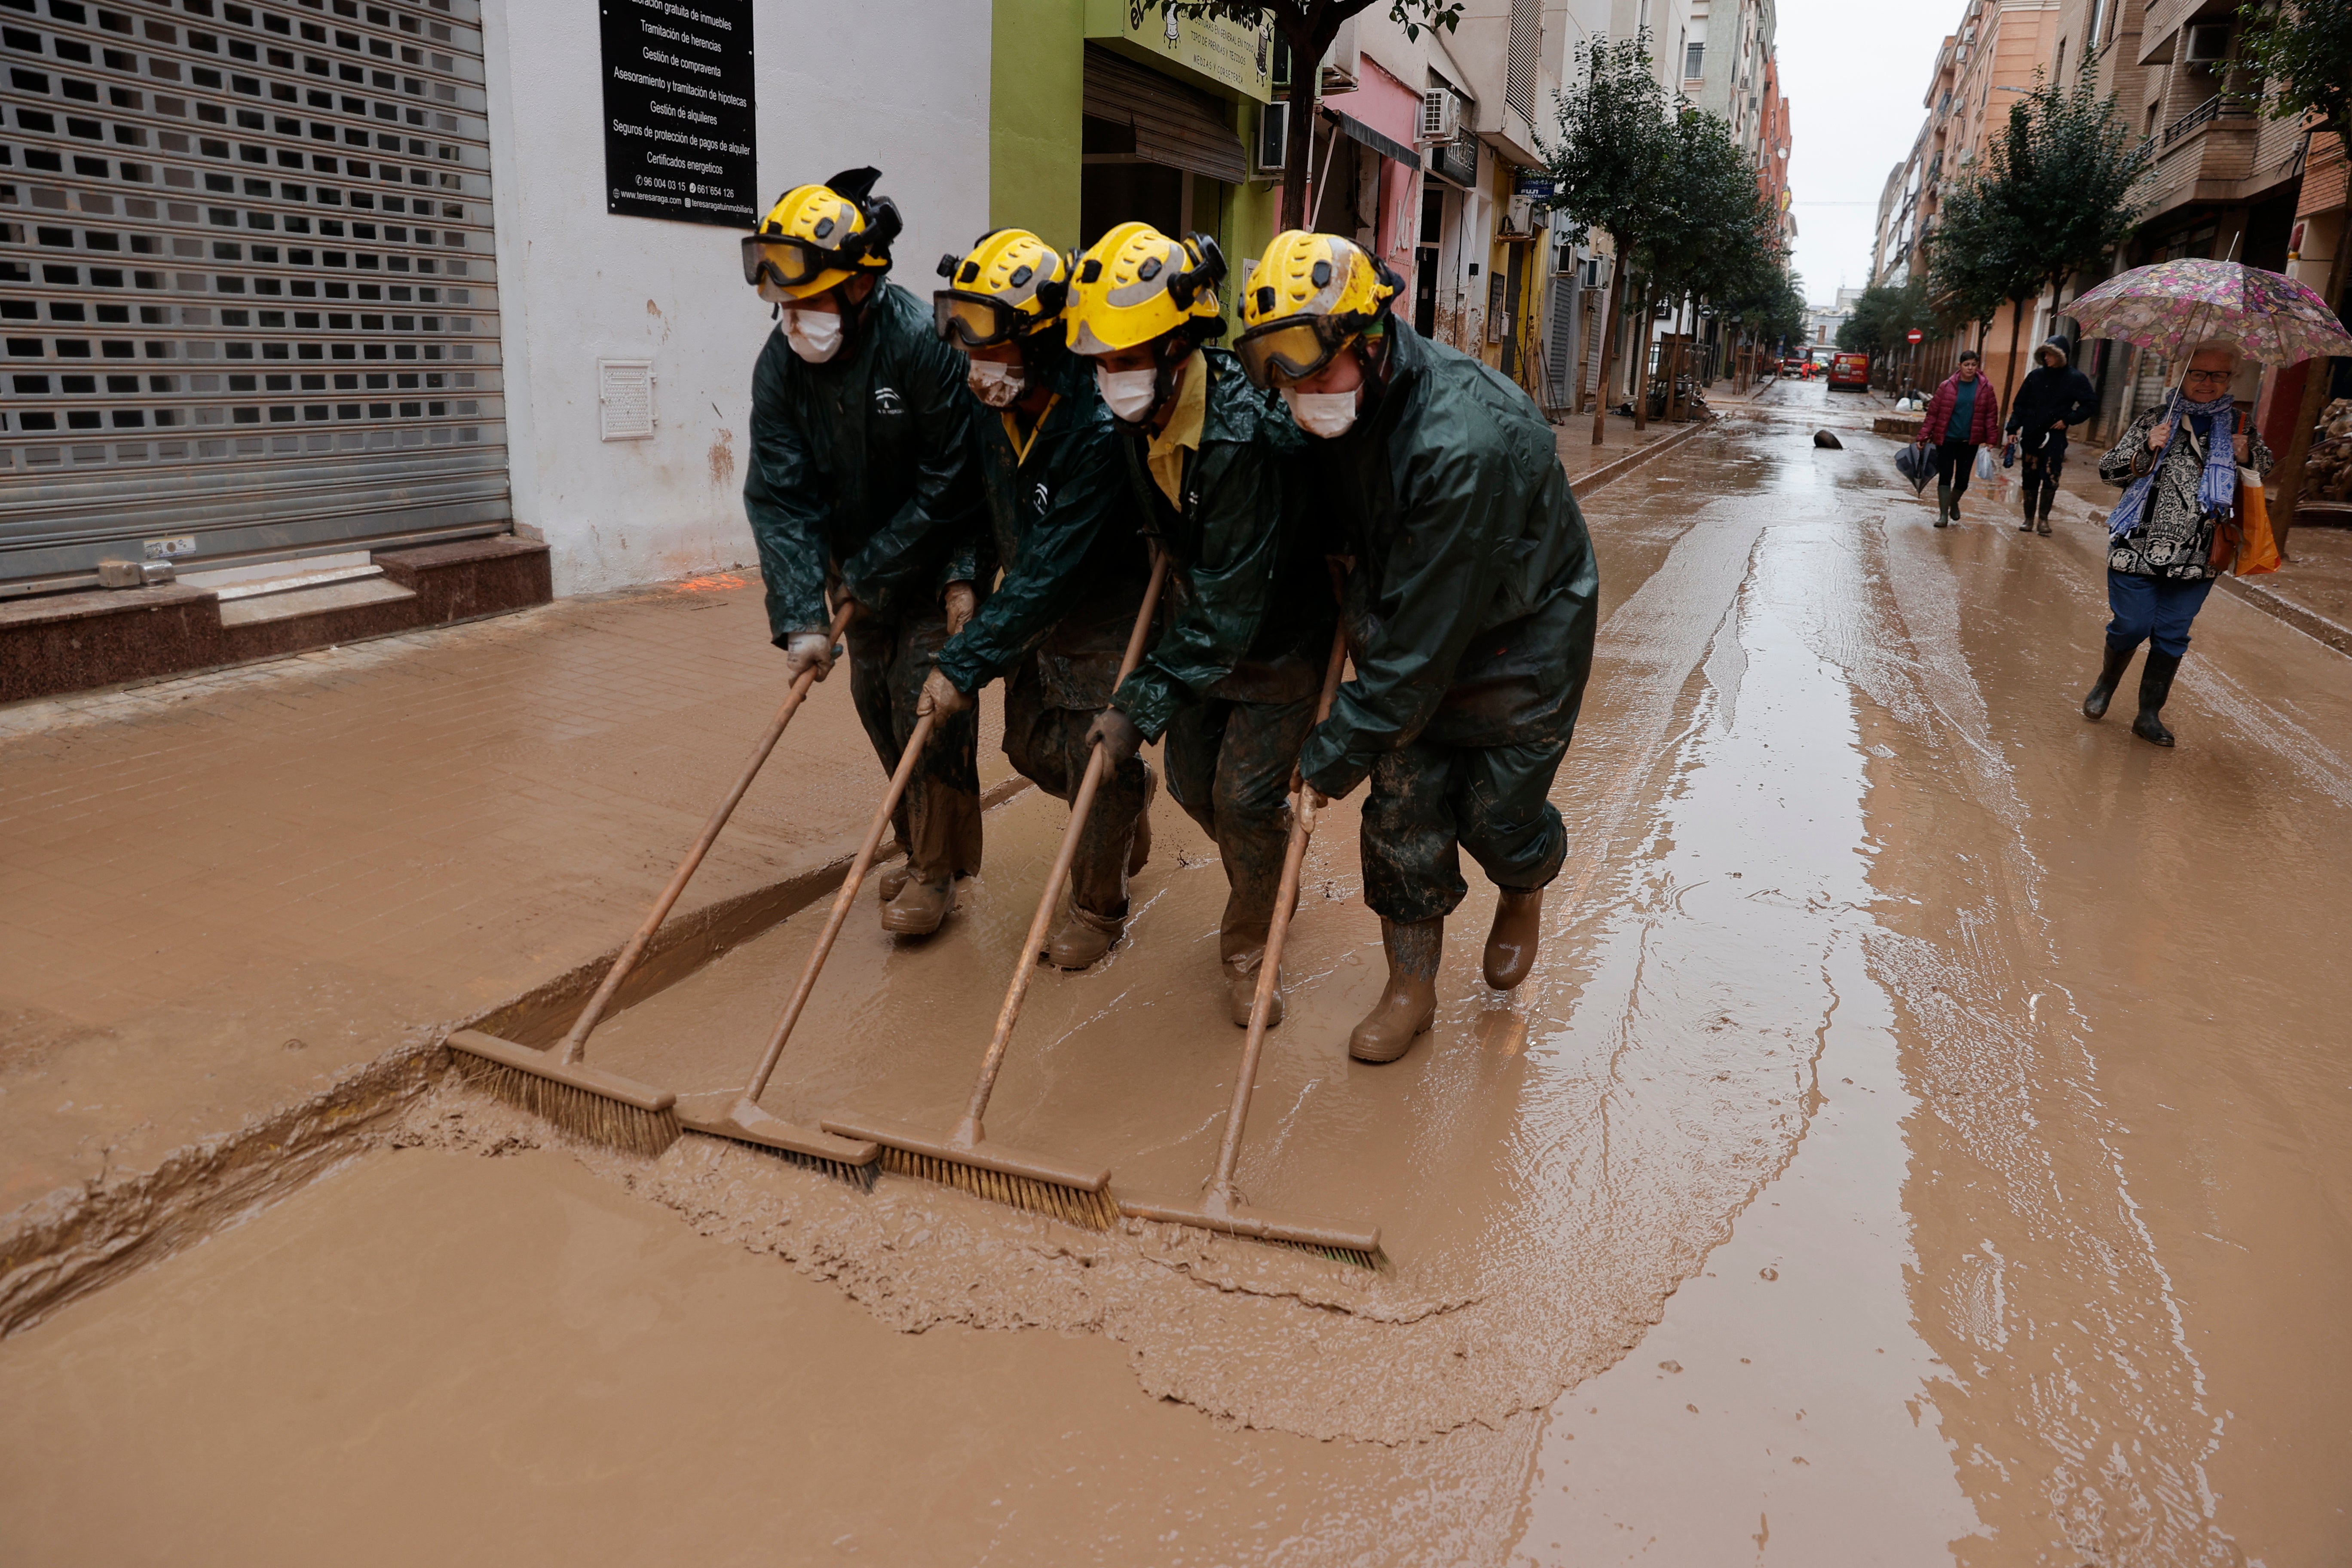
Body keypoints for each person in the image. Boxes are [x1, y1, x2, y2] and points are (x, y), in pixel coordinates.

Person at [1235, 232, 1599, 1064]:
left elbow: (1422, 650)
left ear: (1368, 342)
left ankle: (1526, 876)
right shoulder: (1337, 400)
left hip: (1521, 639)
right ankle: (1412, 986)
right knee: (1402, 810)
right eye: (1278, 373)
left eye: (1312, 371)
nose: (1296, 394)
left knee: (1493, 814)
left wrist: (1330, 752)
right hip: (1405, 616)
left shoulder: (1464, 440)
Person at [1065, 221, 1336, 1026]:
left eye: (1126, 358)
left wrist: (1133, 707)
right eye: (1101, 360)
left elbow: (1233, 608)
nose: (1109, 376)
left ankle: (1250, 942)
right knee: (1189, 782)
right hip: (1199, 632)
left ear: (1178, 348)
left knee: (1245, 799)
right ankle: (1270, 870)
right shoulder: (1135, 413)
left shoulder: (1243, 433)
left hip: (1277, 636)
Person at [739, 168, 985, 936]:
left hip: (934, 562)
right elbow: (780, 495)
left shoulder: (919, 343)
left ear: (859, 287)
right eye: (783, 302)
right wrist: (801, 613)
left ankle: (938, 873)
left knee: (929, 713)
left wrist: (884, 574)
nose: (793, 317)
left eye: (808, 299)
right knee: (877, 708)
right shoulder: (781, 365)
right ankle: (915, 850)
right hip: (859, 578)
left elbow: (952, 479)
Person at [916, 230, 1158, 969]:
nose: (970, 354)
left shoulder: (1092, 423)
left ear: (1042, 335)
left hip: (1101, 612)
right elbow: (968, 501)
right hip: (1029, 613)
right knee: (1027, 747)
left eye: (987, 336)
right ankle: (1125, 803)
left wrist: (964, 663)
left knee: (1095, 760)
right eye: (961, 330)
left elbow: (1056, 568)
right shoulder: (994, 404)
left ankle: (1098, 906)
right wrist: (962, 576)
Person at [2085, 342, 2272, 747]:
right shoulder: (2155, 418)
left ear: (2230, 379)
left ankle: (2148, 715)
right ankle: (2106, 682)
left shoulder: (2241, 424)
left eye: (2218, 375)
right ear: (2182, 374)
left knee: (2172, 634)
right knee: (2131, 626)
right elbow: (2109, 472)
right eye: (2199, 374)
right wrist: (2145, 448)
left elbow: (2265, 469)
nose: (2208, 383)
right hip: (2137, 545)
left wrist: (2246, 457)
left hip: (2200, 554)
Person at [2006, 336, 2099, 535]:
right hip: (2032, 435)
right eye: (2044, 354)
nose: (2046, 358)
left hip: (2054, 437)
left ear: (2060, 356)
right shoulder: (2035, 377)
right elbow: (2020, 405)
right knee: (2029, 475)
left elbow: (2090, 404)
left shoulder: (2075, 378)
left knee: (2051, 476)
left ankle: (2044, 520)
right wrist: (2012, 429)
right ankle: (2029, 519)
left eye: (2050, 354)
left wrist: (2069, 419)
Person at [1918, 349, 2002, 526]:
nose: (1970, 368)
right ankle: (1943, 515)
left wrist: (1991, 439)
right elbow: (1933, 414)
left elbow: (1990, 415)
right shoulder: (1946, 386)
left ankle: (1953, 502)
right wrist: (1924, 435)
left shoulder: (1986, 389)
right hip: (1947, 439)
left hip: (1969, 441)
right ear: (1960, 366)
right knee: (1946, 476)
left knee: (1963, 480)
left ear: (1977, 366)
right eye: (1966, 365)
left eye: (1973, 365)